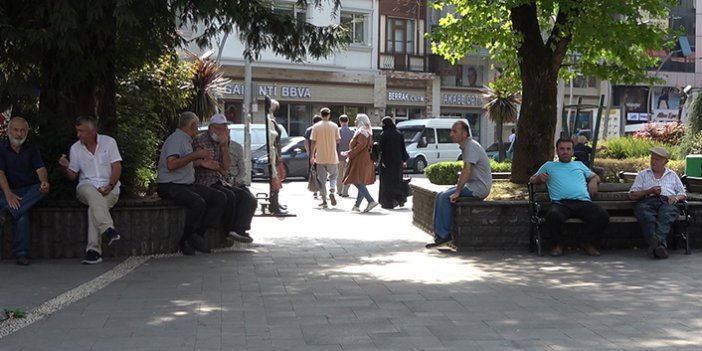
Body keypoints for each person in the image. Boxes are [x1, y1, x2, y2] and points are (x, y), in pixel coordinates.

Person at [156, 112, 226, 255]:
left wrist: (201, 161)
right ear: (193, 125)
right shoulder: (176, 139)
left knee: (219, 197)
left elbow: (186, 162)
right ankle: (185, 240)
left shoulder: (186, 140)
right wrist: (196, 155)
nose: (197, 130)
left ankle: (198, 235)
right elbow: (171, 164)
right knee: (198, 202)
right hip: (170, 184)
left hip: (186, 183)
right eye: (197, 126)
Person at [58, 116, 122, 264]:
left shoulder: (109, 142)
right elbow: (73, 175)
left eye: (81, 131)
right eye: (77, 131)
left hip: (109, 187)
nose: (78, 135)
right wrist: (65, 166)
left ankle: (93, 251)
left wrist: (110, 185)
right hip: (85, 187)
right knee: (91, 193)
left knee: (94, 208)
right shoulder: (75, 148)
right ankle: (107, 229)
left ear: (93, 131)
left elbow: (117, 167)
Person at [529, 138, 609, 257]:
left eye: (568, 149)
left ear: (572, 151)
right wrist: (539, 179)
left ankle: (586, 242)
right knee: (553, 216)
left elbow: (595, 176)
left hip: (583, 202)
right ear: (557, 151)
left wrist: (593, 181)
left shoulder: (579, 165)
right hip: (561, 203)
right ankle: (558, 244)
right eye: (562, 149)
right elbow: (531, 179)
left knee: (602, 215)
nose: (565, 152)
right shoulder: (549, 165)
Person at [426, 120, 492, 248]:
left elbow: (467, 170)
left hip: (478, 188)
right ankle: (439, 234)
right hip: (473, 185)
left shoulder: (470, 146)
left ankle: (445, 235)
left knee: (445, 197)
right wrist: (458, 188)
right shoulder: (467, 145)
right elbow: (466, 172)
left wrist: (457, 191)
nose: (451, 134)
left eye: (454, 131)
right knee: (440, 194)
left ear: (464, 134)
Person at [193, 114, 254, 244]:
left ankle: (239, 230)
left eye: (224, 129)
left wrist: (225, 147)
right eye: (218, 129)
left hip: (219, 178)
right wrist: (222, 171)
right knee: (228, 196)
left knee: (245, 196)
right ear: (211, 128)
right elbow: (212, 165)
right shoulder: (201, 140)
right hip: (205, 179)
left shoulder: (223, 142)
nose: (221, 132)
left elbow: (226, 166)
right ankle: (227, 230)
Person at [0, 117, 50, 265]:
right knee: (22, 215)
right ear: (9, 131)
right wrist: (9, 195)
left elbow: (41, 169)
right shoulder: (1, 148)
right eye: (15, 130)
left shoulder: (31, 148)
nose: (19, 134)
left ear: (27, 132)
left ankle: (9, 211)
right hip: (5, 191)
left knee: (41, 190)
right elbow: (0, 173)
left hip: (27, 192)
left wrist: (44, 182)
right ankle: (21, 254)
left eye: (22, 130)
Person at [628, 147, 686, 259]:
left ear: (665, 161)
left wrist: (676, 198)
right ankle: (660, 246)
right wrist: (649, 191)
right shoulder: (643, 174)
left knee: (666, 215)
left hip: (667, 201)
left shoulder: (672, 175)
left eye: (657, 159)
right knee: (646, 215)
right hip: (647, 201)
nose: (653, 161)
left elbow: (683, 193)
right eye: (652, 159)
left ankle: (656, 243)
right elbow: (632, 194)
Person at [341, 114, 378, 213]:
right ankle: (356, 205)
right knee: (361, 181)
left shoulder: (362, 132)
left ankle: (370, 201)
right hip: (364, 159)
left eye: (357, 119)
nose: (355, 121)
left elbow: (361, 146)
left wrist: (350, 153)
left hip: (360, 159)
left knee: (355, 180)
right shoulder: (367, 131)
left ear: (361, 121)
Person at [310, 107, 340, 208]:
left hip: (320, 157)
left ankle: (324, 200)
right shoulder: (334, 126)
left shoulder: (316, 126)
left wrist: (312, 156)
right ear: (329, 115)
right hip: (332, 156)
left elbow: (313, 142)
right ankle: (332, 189)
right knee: (333, 176)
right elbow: (338, 140)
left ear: (321, 114)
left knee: (321, 179)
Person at [377, 116, 409, 209]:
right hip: (397, 162)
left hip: (386, 162)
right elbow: (403, 148)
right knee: (397, 181)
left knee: (387, 183)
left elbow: (380, 148)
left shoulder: (384, 134)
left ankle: (388, 202)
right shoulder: (399, 133)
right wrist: (404, 160)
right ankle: (400, 198)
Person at [266, 98, 287, 214]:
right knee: (275, 176)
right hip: (274, 151)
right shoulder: (270, 120)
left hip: (276, 150)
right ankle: (274, 204)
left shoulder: (271, 120)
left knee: (277, 177)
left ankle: (275, 203)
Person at [304, 115, 322, 199]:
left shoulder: (309, 129)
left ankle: (315, 190)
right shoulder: (321, 129)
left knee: (313, 172)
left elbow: (306, 142)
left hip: (312, 154)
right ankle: (322, 190)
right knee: (321, 173)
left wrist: (308, 152)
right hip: (322, 153)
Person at [337, 114, 354, 198]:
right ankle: (345, 191)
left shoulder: (337, 131)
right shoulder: (352, 131)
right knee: (347, 174)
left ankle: (339, 191)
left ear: (340, 121)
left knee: (339, 174)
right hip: (349, 156)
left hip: (339, 156)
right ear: (347, 121)